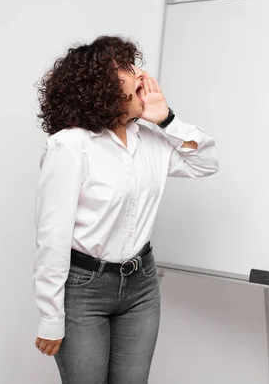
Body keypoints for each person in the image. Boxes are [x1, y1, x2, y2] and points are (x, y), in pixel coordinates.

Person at [32, 35, 219, 384]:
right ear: (100, 86)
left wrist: (166, 119)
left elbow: (205, 163)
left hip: (141, 285)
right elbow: (52, 237)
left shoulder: (150, 140)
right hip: (83, 288)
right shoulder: (70, 146)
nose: (141, 76)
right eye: (128, 69)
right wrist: (50, 316)